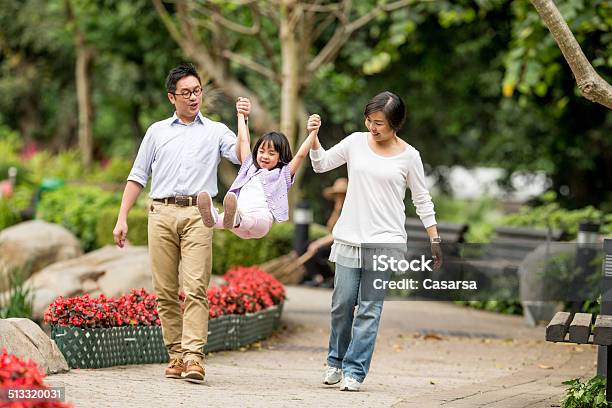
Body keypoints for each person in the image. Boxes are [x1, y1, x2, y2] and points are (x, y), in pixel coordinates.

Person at [112, 63, 249, 384]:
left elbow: (245, 157)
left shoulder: (215, 131)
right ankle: (175, 354)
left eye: (197, 91)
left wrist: (242, 120)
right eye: (186, 93)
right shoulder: (156, 131)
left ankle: (193, 357)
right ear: (171, 97)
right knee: (164, 291)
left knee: (196, 288)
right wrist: (121, 218)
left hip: (198, 215)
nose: (193, 98)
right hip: (159, 214)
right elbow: (137, 176)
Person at [309, 91, 443, 392]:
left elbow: (422, 199)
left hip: (386, 241)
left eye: (379, 122)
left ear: (395, 123)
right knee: (342, 304)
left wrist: (435, 237)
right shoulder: (355, 142)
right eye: (369, 120)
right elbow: (320, 164)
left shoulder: (410, 156)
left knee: (370, 308)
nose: (373, 127)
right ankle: (336, 361)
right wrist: (314, 137)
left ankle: (355, 371)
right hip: (350, 238)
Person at [196, 100, 321, 239]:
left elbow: (300, 155)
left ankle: (235, 219)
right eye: (262, 151)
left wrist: (313, 133)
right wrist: (241, 116)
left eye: (271, 153)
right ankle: (212, 218)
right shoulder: (249, 166)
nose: (265, 156)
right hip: (238, 221)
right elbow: (243, 141)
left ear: (280, 157)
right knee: (225, 218)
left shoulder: (282, 174)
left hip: (260, 222)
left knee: (250, 219)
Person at [301, 178, 348, 287]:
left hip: (343, 242)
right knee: (307, 245)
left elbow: (339, 233)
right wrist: (337, 210)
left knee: (319, 250)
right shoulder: (338, 209)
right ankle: (318, 278)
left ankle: (331, 277)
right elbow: (330, 227)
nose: (339, 197)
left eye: (342, 194)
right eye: (337, 195)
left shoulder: (348, 210)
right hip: (335, 240)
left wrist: (319, 243)